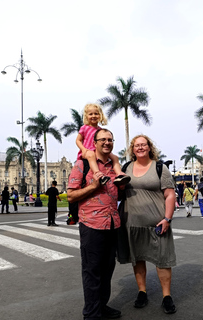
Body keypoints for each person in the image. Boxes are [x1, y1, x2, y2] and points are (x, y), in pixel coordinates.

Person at [67, 128, 122, 320]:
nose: (107, 143)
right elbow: (71, 195)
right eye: (103, 140)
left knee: (107, 270)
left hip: (113, 224)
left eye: (110, 139)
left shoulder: (115, 165)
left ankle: (101, 306)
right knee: (92, 271)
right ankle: (91, 314)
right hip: (92, 224)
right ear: (95, 142)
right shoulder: (83, 164)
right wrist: (93, 186)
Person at [120, 134, 177, 314]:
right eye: (137, 145)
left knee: (162, 260)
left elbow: (170, 195)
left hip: (158, 223)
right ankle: (142, 292)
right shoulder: (126, 168)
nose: (140, 148)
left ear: (149, 147)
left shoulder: (160, 168)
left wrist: (167, 218)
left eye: (143, 145)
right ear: (132, 149)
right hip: (133, 223)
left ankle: (166, 296)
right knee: (138, 259)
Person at [76, 103, 130, 186]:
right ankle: (98, 174)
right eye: (90, 114)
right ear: (86, 116)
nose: (93, 116)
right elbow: (78, 140)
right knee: (91, 155)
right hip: (88, 151)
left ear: (100, 115)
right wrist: (83, 149)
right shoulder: (84, 128)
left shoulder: (100, 130)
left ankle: (119, 174)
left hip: (99, 151)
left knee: (115, 157)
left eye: (96, 113)